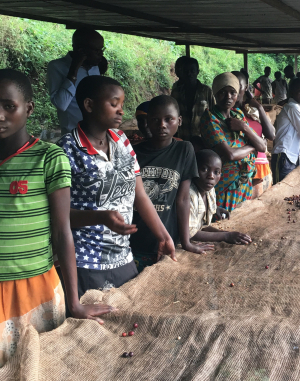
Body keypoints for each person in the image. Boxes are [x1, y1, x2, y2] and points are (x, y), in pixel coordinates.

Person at [0, 69, 113, 365]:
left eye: (8, 106)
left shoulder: (48, 158)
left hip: (33, 287)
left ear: (29, 108)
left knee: (36, 363)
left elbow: (63, 230)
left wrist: (74, 303)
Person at [58, 76, 176, 297]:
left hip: (123, 256)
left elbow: (139, 194)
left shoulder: (122, 140)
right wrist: (101, 217)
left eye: (121, 104)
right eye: (113, 104)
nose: (121, 111)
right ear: (89, 105)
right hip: (85, 260)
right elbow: (60, 216)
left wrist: (164, 236)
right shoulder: (67, 150)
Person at [130, 94, 206, 262]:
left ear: (179, 121)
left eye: (168, 119)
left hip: (168, 237)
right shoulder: (133, 153)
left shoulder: (184, 150)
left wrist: (186, 242)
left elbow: (183, 199)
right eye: (155, 119)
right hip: (135, 238)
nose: (162, 125)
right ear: (147, 121)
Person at [200, 72, 267, 211]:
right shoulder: (210, 118)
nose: (228, 97)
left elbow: (262, 146)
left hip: (244, 184)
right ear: (215, 94)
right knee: (224, 224)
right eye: (222, 92)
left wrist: (244, 127)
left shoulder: (238, 115)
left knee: (242, 222)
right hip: (224, 186)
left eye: (233, 92)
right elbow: (230, 154)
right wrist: (251, 146)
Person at [187, 149, 252, 246]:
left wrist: (214, 209)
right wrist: (226, 236)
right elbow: (191, 233)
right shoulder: (189, 195)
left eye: (216, 172)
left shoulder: (210, 190)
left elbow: (202, 226)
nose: (211, 176)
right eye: (204, 169)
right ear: (194, 169)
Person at [47, 28, 105, 135]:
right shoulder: (57, 67)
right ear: (80, 50)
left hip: (97, 133)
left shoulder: (95, 68)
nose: (101, 54)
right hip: (73, 135)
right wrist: (74, 70)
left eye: (102, 49)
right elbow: (61, 104)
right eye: (97, 50)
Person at [232, 71, 275, 190]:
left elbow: (271, 135)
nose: (234, 90)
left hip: (261, 169)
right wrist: (256, 146)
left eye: (238, 86)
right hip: (239, 173)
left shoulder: (252, 110)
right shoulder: (225, 114)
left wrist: (259, 107)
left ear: (245, 88)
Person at [171, 56, 215, 141]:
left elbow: (214, 112)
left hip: (203, 138)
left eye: (192, 70)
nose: (189, 74)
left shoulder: (206, 91)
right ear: (182, 72)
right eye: (186, 71)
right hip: (182, 137)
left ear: (197, 72)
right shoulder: (176, 92)